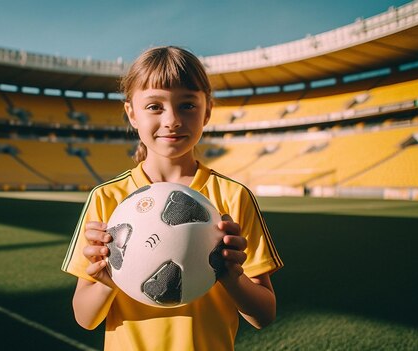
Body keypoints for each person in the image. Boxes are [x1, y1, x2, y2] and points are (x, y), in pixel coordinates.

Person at [61, 46, 283, 351]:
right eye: (154, 106)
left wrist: (232, 277)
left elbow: (264, 314)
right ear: (131, 114)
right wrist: (107, 278)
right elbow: (84, 318)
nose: (172, 120)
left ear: (207, 111)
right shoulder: (106, 199)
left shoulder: (233, 197)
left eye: (187, 105)